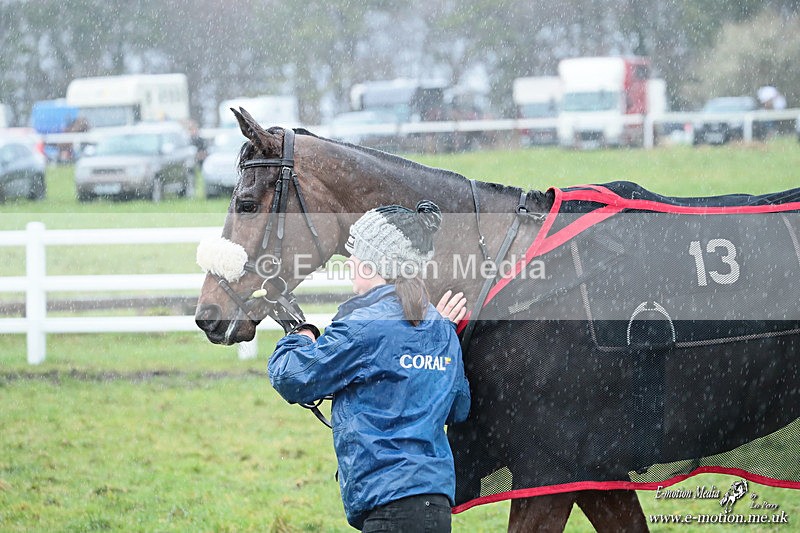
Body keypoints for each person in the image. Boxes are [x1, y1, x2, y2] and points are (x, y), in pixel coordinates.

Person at [268, 200, 471, 532]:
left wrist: (300, 334)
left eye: (355, 254)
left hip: (388, 504)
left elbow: (292, 376)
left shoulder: (363, 326)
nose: (349, 261)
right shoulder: (440, 328)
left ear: (374, 264)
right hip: (435, 505)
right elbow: (458, 407)